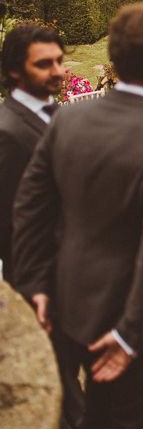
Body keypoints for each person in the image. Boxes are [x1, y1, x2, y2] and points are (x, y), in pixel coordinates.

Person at [13, 3, 143, 429]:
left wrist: (36, 284)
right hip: (134, 327)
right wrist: (130, 334)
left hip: (69, 304)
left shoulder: (67, 118)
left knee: (94, 421)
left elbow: (29, 207)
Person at [0, 26, 65, 285]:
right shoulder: (7, 132)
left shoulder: (55, 112)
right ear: (15, 70)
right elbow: (9, 223)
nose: (58, 71)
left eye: (59, 61)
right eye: (44, 64)